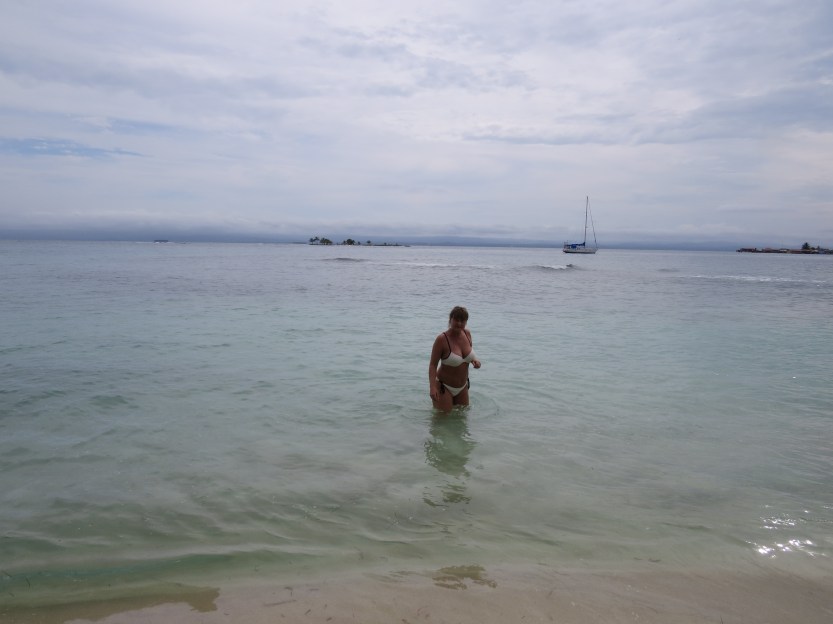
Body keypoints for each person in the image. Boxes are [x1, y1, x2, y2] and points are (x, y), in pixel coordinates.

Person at [429, 306, 482, 411]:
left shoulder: (467, 334)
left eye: (462, 321)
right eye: (456, 320)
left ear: (466, 322)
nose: (459, 323)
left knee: (462, 421)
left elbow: (468, 356)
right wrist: (432, 387)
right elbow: (433, 365)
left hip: (463, 387)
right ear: (450, 319)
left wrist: (475, 362)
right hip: (444, 387)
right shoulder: (442, 339)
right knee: (442, 423)